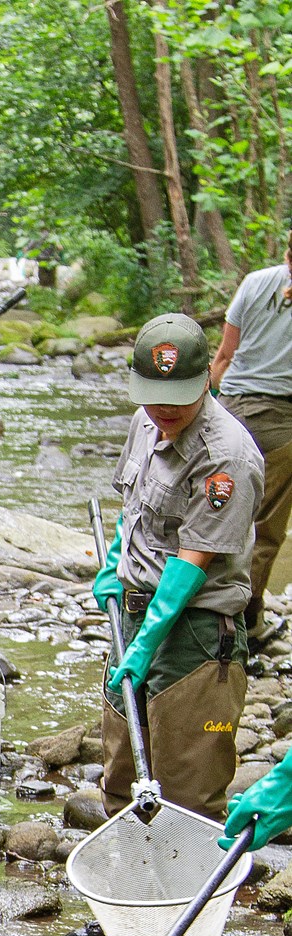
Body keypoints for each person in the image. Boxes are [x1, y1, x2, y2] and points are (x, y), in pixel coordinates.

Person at [95, 313, 263, 821]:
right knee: (122, 774)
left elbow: (193, 561)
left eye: (179, 397)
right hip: (132, 610)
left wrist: (146, 645)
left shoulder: (228, 457)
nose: (165, 409)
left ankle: (192, 894)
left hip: (195, 633)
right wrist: (113, 562)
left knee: (187, 792)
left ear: (208, 378)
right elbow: (133, 506)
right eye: (153, 394)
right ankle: (123, 887)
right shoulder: (146, 421)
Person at [210, 230, 292, 639]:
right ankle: (243, 621)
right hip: (281, 425)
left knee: (215, 513)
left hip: (229, 414)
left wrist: (202, 409)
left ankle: (195, 611)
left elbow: (224, 357)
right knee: (263, 529)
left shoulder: (256, 281)